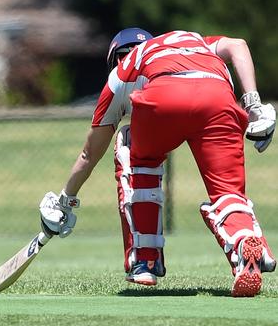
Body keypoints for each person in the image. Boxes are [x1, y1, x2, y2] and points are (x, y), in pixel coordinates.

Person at [38, 28, 276, 297]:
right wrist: (254, 105)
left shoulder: (123, 69)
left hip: (165, 96)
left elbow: (89, 155)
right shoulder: (192, 41)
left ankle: (144, 260)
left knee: (129, 146)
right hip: (218, 94)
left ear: (114, 59)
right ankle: (245, 242)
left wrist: (65, 200)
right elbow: (238, 44)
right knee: (228, 192)